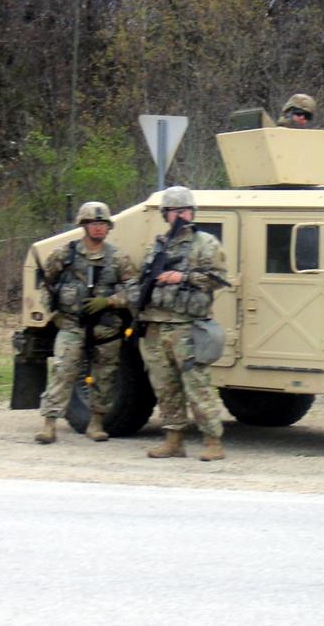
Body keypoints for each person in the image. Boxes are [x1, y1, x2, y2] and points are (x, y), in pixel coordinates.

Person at [131, 186, 229, 461]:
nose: (180, 216)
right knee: (165, 388)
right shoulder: (157, 246)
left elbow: (218, 278)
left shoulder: (205, 243)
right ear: (165, 214)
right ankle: (173, 440)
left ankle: (213, 442)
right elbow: (144, 280)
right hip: (156, 326)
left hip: (187, 328)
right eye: (175, 211)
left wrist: (182, 277)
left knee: (197, 387)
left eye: (185, 211)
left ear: (193, 213)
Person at [34, 202, 138, 444]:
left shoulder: (118, 258)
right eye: (93, 223)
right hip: (71, 325)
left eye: (102, 224)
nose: (98, 228)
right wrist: (54, 314)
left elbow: (134, 292)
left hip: (106, 329)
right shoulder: (65, 254)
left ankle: (96, 424)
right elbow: (46, 285)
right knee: (62, 372)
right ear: (84, 226)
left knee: (105, 377)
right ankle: (49, 425)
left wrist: (109, 302)